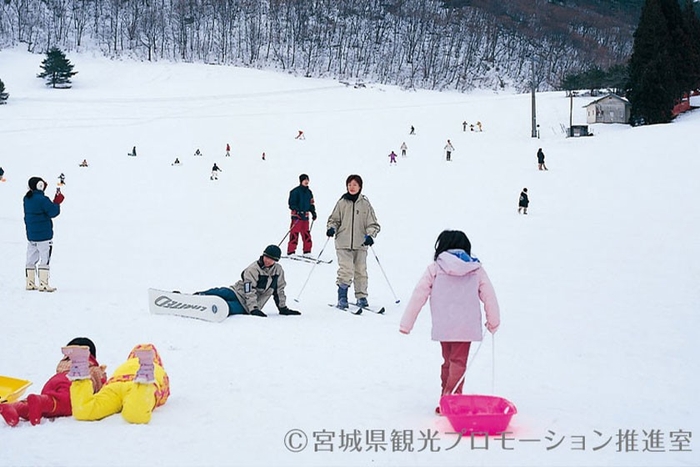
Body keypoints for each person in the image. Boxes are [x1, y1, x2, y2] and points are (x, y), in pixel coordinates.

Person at [399, 230, 500, 413]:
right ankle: (451, 400)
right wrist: (493, 321)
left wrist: (406, 324)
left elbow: (418, 294)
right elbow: (489, 296)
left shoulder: (435, 268)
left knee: (448, 361)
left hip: (444, 325)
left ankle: (446, 397)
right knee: (458, 362)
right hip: (466, 326)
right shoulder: (476, 269)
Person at [0, 338, 106, 427]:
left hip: (53, 381)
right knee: (67, 402)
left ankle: (16, 408)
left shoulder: (63, 363)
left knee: (38, 405)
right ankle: (41, 402)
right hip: (71, 383)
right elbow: (104, 385)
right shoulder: (93, 368)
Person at [65, 343, 169, 425]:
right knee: (135, 414)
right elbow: (164, 392)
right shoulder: (159, 369)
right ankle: (144, 379)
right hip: (134, 386)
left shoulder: (124, 365)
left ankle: (80, 371)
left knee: (86, 410)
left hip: (114, 385)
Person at [196, 245, 301, 317]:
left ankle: (209, 308)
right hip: (238, 292)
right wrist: (253, 308)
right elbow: (248, 289)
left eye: (271, 259)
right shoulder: (253, 268)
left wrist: (282, 308)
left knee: (228, 307)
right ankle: (196, 296)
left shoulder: (278, 271)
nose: (267, 260)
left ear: (276, 260)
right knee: (222, 292)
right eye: (266, 257)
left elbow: (279, 290)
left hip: (246, 305)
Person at [326, 174, 381, 309]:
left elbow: (373, 224)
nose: (352, 187)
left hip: (360, 243)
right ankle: (342, 296)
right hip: (343, 243)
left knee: (361, 270)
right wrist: (332, 228)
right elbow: (334, 220)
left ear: (360, 187)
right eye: (349, 185)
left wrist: (370, 235)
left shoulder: (365, 204)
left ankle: (361, 296)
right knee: (346, 269)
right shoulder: (342, 202)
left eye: (355, 185)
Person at [24, 177, 64, 292]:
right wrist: (56, 202)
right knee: (45, 258)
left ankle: (30, 282)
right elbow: (53, 212)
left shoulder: (27, 198)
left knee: (31, 259)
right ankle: (44, 283)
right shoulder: (43, 200)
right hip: (44, 236)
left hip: (31, 235)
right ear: (40, 186)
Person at [287, 174, 317, 256]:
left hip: (306, 217)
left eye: (307, 179)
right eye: (304, 180)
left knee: (306, 234)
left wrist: (313, 212)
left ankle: (307, 251)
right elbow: (291, 204)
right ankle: (291, 251)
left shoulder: (309, 192)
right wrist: (298, 211)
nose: (306, 181)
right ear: (301, 181)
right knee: (294, 234)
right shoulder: (295, 191)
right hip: (297, 217)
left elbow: (311, 203)